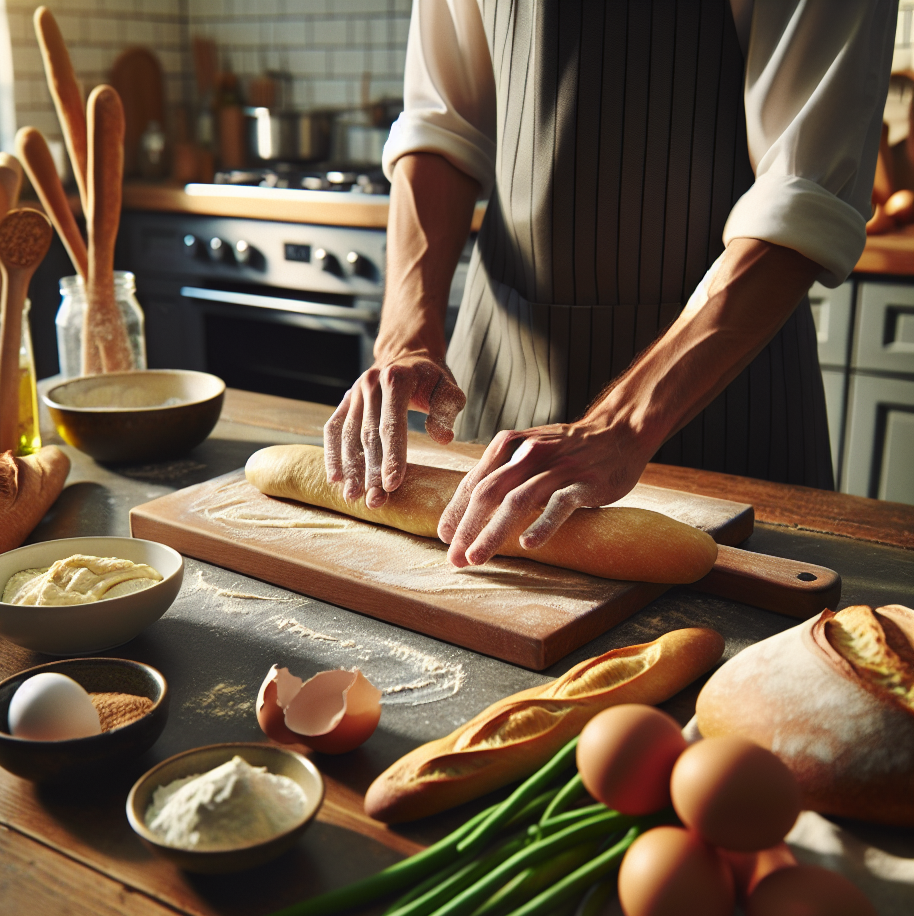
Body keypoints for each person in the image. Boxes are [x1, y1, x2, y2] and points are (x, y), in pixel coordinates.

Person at [323, 0, 897, 569]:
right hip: (499, 370)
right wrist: (406, 338)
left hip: (722, 397)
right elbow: (442, 125)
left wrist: (623, 424)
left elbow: (802, 191)